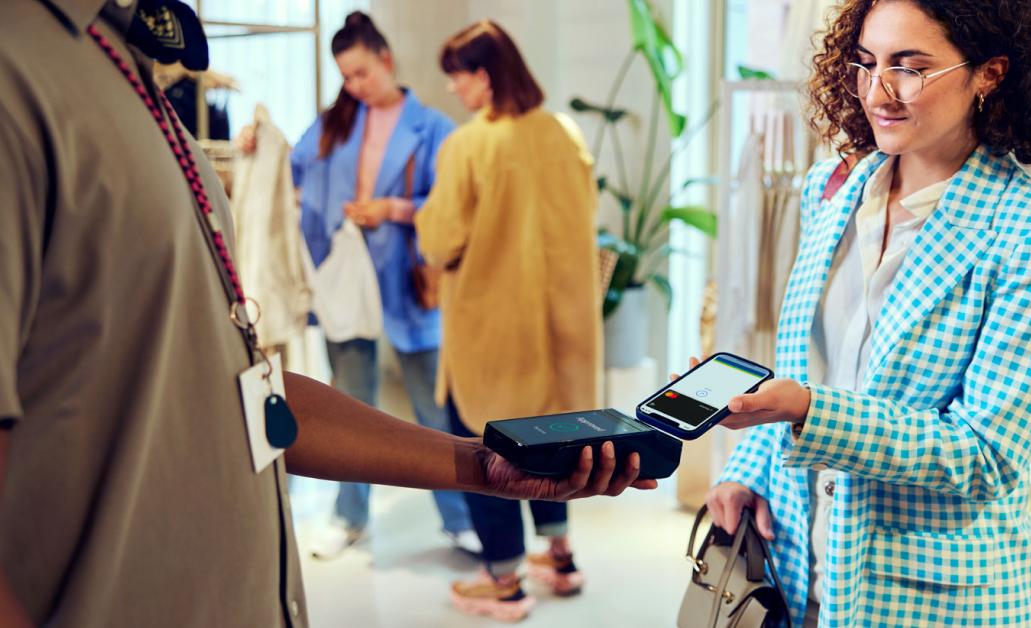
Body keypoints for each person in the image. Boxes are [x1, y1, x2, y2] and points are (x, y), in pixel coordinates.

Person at [0, 2, 654, 627]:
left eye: (363, 71)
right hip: (519, 322)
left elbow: (247, 393)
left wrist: (479, 462)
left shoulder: (119, 62)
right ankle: (474, 543)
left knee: (448, 410)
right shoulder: (37, 71)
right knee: (458, 411)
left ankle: (496, 561)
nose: (356, 84)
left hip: (451, 311)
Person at [701, 1, 1031, 626]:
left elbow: (983, 453)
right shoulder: (832, 192)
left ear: (989, 74)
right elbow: (808, 362)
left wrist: (809, 410)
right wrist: (748, 468)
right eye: (866, 63)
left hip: (926, 594)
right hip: (794, 566)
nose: (878, 92)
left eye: (910, 67)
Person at [415, 20, 603, 622]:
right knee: (554, 441)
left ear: (486, 77)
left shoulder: (470, 145)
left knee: (483, 448)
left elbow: (440, 239)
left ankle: (503, 581)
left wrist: (413, 222)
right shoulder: (563, 134)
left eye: (458, 76)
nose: (453, 90)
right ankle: (560, 555)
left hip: (492, 329)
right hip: (561, 330)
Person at [287, 12, 479, 558]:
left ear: (386, 59)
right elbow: (293, 168)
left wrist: (393, 208)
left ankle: (459, 516)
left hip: (406, 282)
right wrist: (258, 141)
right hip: (346, 284)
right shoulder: (335, 122)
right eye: (346, 77)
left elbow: (454, 208)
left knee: (431, 408)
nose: (355, 86)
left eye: (362, 73)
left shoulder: (434, 128)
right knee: (348, 407)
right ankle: (350, 516)